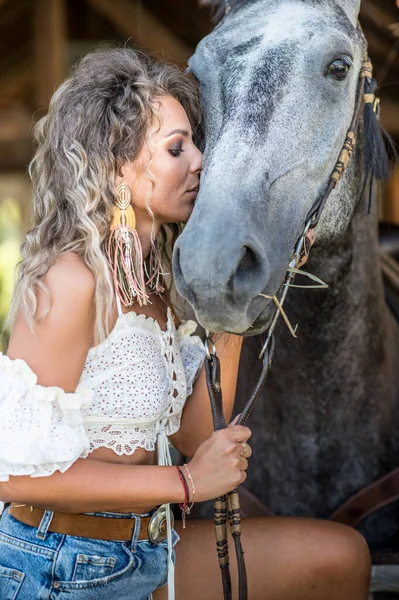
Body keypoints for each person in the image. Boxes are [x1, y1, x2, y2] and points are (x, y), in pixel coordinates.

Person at [0, 47, 370, 600]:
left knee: (340, 558)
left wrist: (238, 301)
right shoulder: (69, 280)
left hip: (149, 547)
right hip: (61, 562)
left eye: (196, 143)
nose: (201, 161)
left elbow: (196, 434)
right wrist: (186, 483)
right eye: (177, 148)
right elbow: (14, 477)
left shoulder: (156, 282)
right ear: (116, 167)